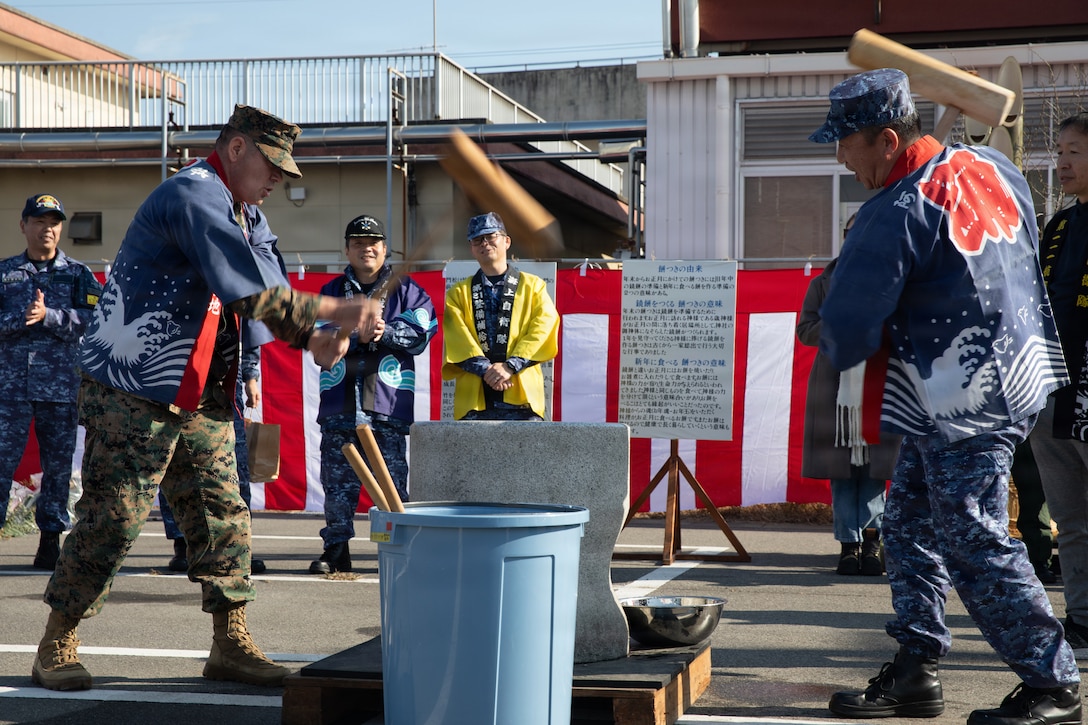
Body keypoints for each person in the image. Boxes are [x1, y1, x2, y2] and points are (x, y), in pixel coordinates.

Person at [31, 104, 381, 693]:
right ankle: (56, 640)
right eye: (272, 165)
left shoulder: (249, 213)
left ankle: (229, 642)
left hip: (203, 394)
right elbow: (246, 290)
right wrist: (334, 310)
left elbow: (271, 292)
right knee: (114, 516)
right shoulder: (191, 194)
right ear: (237, 148)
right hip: (133, 385)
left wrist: (318, 339)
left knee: (224, 514)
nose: (278, 179)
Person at [810, 69, 1080, 725]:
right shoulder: (988, 167)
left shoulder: (892, 211)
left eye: (847, 145)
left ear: (886, 139)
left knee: (973, 535)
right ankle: (916, 668)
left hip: (962, 398)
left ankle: (1053, 684)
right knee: (906, 523)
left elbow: (845, 332)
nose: (841, 158)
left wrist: (824, 318)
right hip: (1016, 373)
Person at [309, 214, 436, 574]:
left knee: (392, 483)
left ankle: (398, 549)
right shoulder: (331, 292)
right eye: (359, 243)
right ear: (347, 249)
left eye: (373, 243)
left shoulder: (408, 290)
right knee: (337, 481)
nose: (367, 249)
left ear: (384, 249)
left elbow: (423, 330)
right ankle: (336, 548)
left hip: (387, 402)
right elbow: (317, 337)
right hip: (340, 402)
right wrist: (350, 331)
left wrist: (385, 332)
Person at [0, 193, 102, 570]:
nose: (47, 228)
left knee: (57, 467)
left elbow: (97, 320)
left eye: (54, 222)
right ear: (23, 225)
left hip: (59, 387)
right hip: (9, 389)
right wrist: (21, 319)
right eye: (39, 220)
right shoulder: (5, 273)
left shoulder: (77, 274)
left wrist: (52, 316)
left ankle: (49, 541)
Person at [796, 214, 900, 576]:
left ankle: (873, 541)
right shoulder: (824, 282)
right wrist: (841, 325)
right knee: (841, 471)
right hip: (833, 387)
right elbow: (806, 330)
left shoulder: (894, 279)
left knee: (874, 469)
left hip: (878, 384)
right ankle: (848, 545)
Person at [1028, 111, 1088, 651]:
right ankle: (1083, 619)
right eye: (1061, 151)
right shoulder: (1060, 225)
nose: (1062, 162)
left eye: (1075, 151)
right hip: (1055, 391)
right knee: (1068, 518)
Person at [160, 339, 267, 575]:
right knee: (175, 460)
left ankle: (237, 547)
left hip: (224, 380)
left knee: (234, 467)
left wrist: (250, 376)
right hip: (176, 370)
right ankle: (182, 544)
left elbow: (246, 328)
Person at [442, 212, 560, 421]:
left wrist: (511, 365)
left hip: (522, 399)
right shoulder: (458, 293)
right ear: (472, 248)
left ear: (507, 241)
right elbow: (457, 338)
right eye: (477, 239)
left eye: (491, 236)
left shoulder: (533, 286)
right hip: (475, 403)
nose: (484, 243)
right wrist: (488, 370)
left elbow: (545, 327)